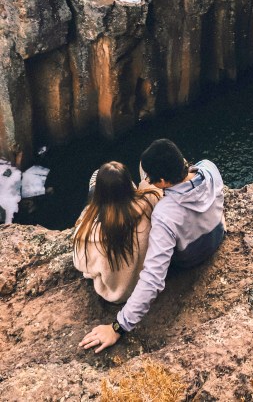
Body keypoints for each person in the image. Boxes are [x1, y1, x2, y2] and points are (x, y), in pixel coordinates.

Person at [79, 139, 225, 353]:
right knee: (145, 174)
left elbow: (153, 278)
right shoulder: (209, 168)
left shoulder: (165, 214)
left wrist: (118, 326)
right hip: (216, 235)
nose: (146, 180)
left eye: (150, 178)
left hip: (190, 258)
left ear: (164, 181)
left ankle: (115, 198)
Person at [73, 161, 161, 303]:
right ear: (129, 187)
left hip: (117, 295)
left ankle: (97, 196)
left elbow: (80, 264)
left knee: (95, 178)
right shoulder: (150, 202)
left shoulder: (88, 233)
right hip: (148, 283)